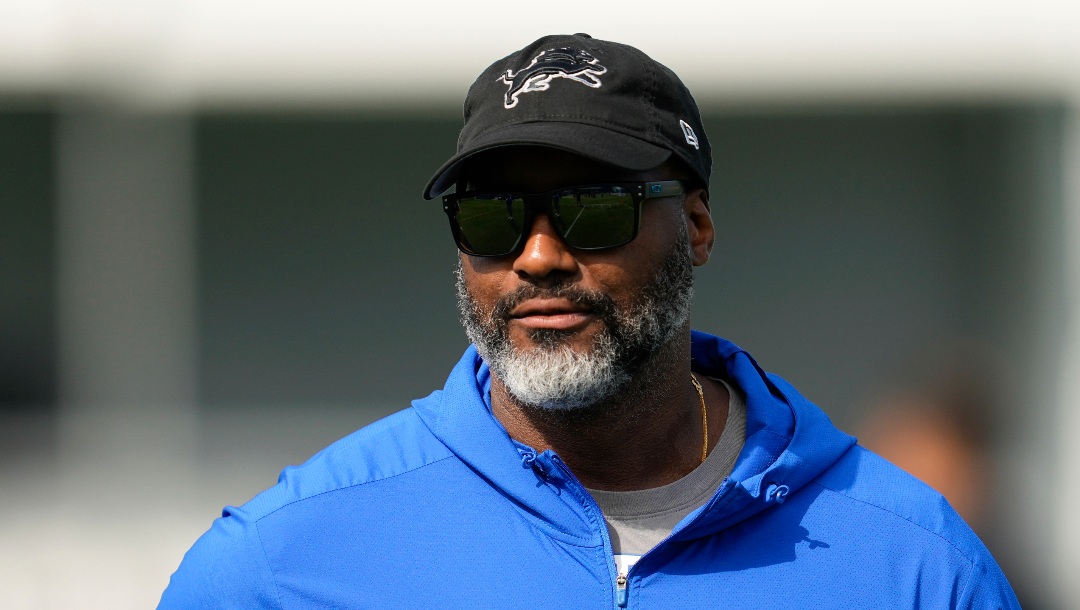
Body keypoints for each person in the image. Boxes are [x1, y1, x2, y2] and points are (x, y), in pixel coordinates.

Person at [160, 33, 1019, 608]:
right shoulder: (280, 565)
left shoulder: (915, 563)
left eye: (594, 209)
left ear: (697, 227)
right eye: (493, 216)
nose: (538, 257)